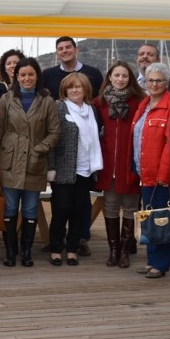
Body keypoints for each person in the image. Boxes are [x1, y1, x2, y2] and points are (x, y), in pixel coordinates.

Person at [0, 56, 60, 268]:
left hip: (35, 162)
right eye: (22, 75)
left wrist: (40, 149)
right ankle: (11, 252)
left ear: (37, 76)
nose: (26, 78)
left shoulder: (47, 100)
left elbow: (55, 133)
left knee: (29, 207)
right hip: (8, 161)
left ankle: (26, 252)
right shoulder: (7, 99)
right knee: (9, 207)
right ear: (16, 77)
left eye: (30, 74)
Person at [131, 62, 170, 279]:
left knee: (163, 220)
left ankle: (161, 264)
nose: (154, 84)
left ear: (167, 82)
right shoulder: (144, 104)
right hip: (146, 173)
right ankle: (152, 260)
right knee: (150, 218)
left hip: (163, 177)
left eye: (159, 80)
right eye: (151, 80)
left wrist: (164, 175)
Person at [46, 73, 103, 266]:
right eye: (71, 87)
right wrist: (50, 167)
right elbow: (51, 140)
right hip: (63, 169)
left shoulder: (92, 110)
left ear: (86, 89)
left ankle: (72, 249)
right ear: (65, 90)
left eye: (79, 86)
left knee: (79, 210)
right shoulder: (59, 107)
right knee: (61, 209)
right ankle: (55, 248)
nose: (75, 90)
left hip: (86, 169)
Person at [93, 60, 145, 267]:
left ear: (130, 78)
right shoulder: (99, 102)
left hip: (130, 162)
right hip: (107, 163)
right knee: (111, 206)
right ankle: (113, 250)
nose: (120, 79)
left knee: (131, 207)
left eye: (124, 76)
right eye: (117, 76)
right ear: (110, 78)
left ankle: (125, 250)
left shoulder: (140, 101)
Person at [41, 36, 103, 100]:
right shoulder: (47, 75)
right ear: (57, 54)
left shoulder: (94, 73)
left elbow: (100, 100)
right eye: (60, 49)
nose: (64, 51)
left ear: (76, 50)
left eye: (68, 47)